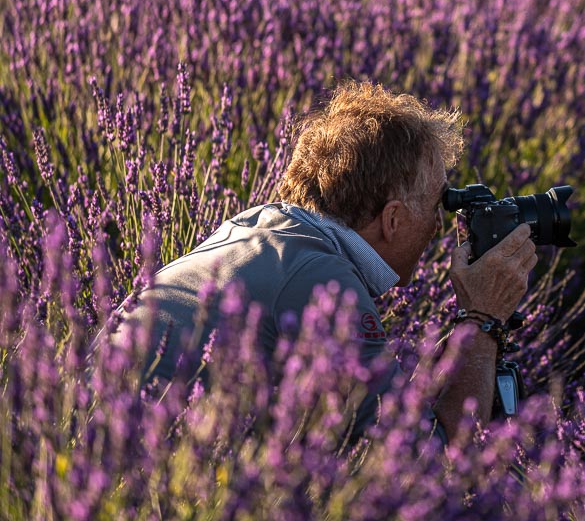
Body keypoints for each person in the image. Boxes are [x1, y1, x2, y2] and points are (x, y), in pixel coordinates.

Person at [106, 81, 538, 441]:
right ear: (392, 219)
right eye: (439, 204)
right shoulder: (323, 283)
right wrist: (482, 319)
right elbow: (430, 465)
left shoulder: (249, 228)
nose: (439, 226)